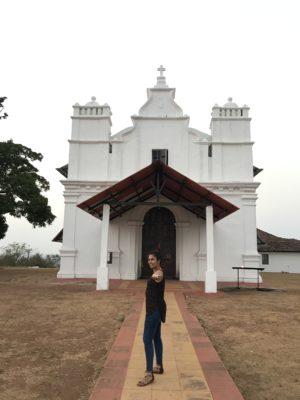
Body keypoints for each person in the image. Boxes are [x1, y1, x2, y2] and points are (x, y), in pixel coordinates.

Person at [137, 250, 166, 387]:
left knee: (147, 340)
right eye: (149, 259)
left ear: (158, 261)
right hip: (157, 310)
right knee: (156, 338)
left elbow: (158, 276)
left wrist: (155, 276)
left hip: (153, 312)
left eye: (153, 259)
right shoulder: (158, 271)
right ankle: (159, 366)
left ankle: (149, 374)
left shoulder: (158, 273)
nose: (150, 261)